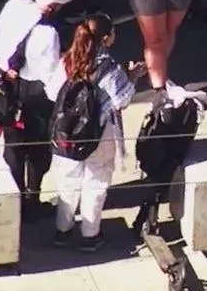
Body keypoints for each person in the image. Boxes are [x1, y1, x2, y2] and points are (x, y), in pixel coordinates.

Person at [52, 13, 142, 251]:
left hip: (66, 131)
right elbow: (121, 100)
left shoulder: (65, 62)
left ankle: (62, 230)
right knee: (96, 180)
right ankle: (90, 235)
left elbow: (52, 92)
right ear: (105, 39)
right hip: (99, 132)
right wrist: (132, 77)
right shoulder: (109, 68)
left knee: (67, 180)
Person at [0, 0, 75, 219]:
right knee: (38, 148)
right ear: (55, 5)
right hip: (35, 93)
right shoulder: (48, 34)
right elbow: (50, 76)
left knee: (13, 146)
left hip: (6, 87)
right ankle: (32, 198)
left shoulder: (14, 5)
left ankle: (15, 199)